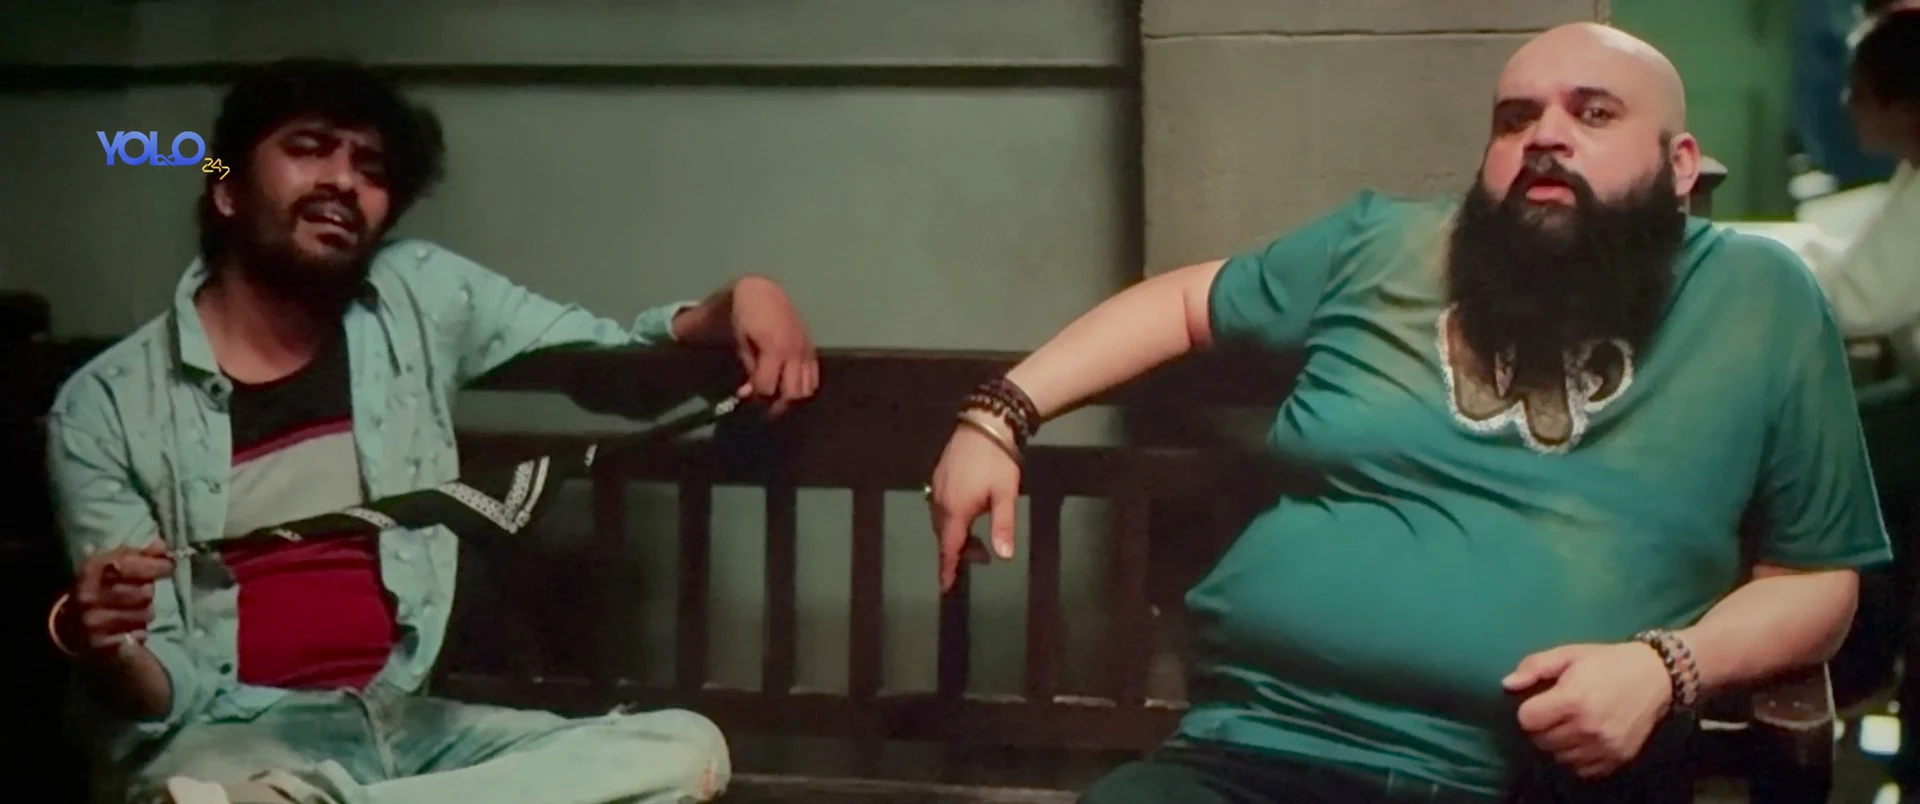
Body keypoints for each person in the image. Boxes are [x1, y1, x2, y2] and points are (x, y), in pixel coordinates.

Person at [926, 22, 1888, 803]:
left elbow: (1817, 582)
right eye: (1516, 118)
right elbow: (1185, 304)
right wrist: (999, 414)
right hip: (1251, 749)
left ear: (1680, 164)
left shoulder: (1758, 299)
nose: (1545, 135)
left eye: (1593, 112)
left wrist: (1667, 668)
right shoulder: (1383, 245)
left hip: (1530, 780)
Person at [47, 58, 819, 804]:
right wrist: (108, 641)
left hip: (410, 729)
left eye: (371, 168)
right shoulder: (106, 405)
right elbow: (162, 692)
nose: (343, 181)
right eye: (309, 149)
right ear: (227, 189)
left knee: (683, 750)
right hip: (228, 736)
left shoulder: (421, 292)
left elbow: (614, 366)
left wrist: (742, 298)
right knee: (196, 793)